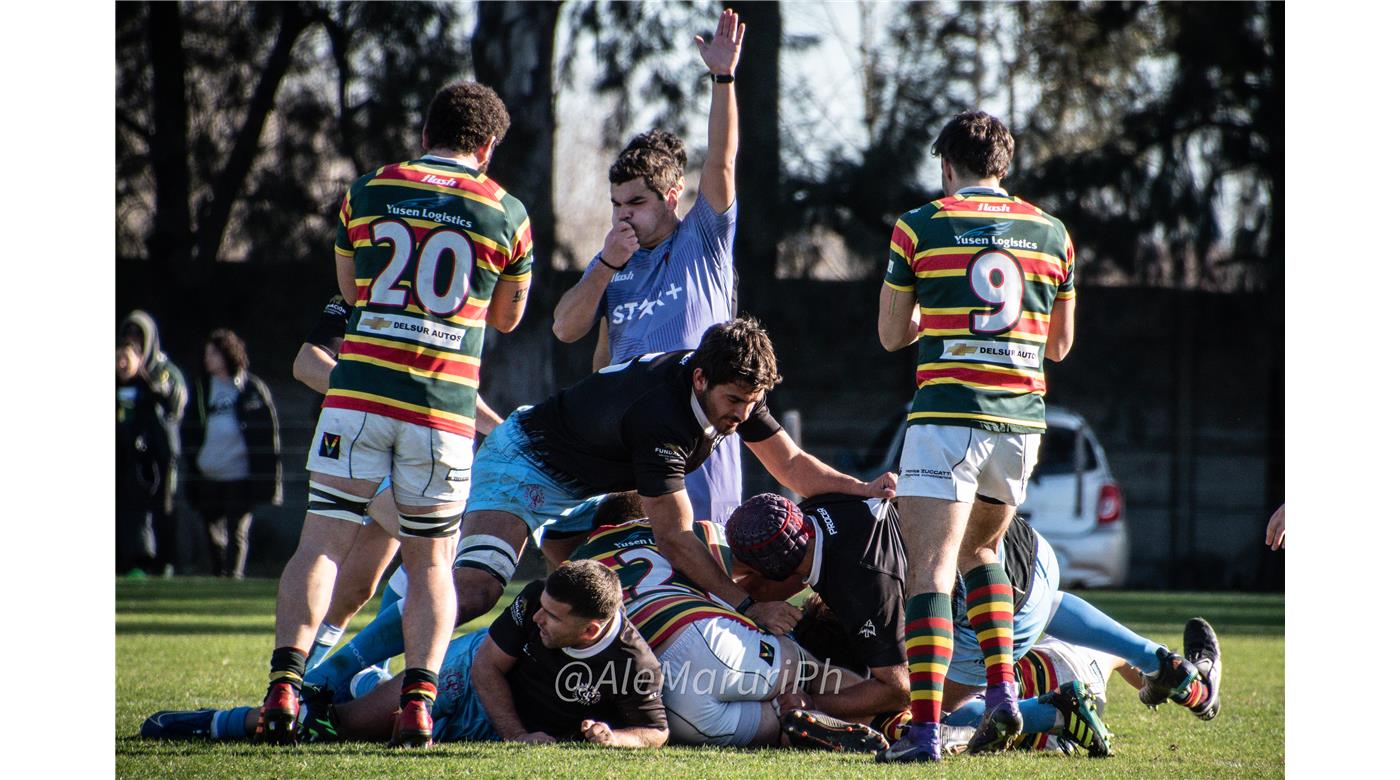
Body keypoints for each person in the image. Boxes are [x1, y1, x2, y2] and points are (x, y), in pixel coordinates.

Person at [257, 81, 533, 747]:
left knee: (319, 545)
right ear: (487, 148)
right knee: (432, 565)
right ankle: (416, 706)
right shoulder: (508, 212)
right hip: (439, 412)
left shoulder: (368, 190)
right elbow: (507, 317)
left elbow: (351, 291)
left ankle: (284, 688)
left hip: (358, 397)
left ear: (425, 134)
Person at [453, 316, 896, 651]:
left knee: (584, 609)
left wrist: (862, 488)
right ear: (700, 379)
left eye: (753, 402)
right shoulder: (661, 418)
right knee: (477, 592)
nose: (742, 414)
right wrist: (748, 607)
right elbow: (675, 536)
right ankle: (419, 674)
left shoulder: (732, 383)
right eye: (734, 401)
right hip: (525, 464)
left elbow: (792, 464)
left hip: (588, 489)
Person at [873, 109, 1083, 760]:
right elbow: (1060, 346)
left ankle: (924, 731)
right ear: (1004, 165)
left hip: (947, 415)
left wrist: (937, 320)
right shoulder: (1053, 234)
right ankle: (1002, 694)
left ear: (946, 166)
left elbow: (891, 334)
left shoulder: (920, 226)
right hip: (1020, 422)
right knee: (982, 552)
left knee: (931, 569)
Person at [728, 493, 1221, 757]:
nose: (743, 588)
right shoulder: (817, 508)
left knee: (924, 710)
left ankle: (1052, 713)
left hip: (1003, 602)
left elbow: (899, 686)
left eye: (750, 581)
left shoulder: (860, 586)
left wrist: (816, 706)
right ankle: (1170, 668)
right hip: (1029, 552)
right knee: (1050, 604)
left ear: (784, 572)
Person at [551, 9, 746, 526]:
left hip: (698, 441)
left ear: (672, 196)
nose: (623, 215)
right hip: (629, 451)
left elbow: (721, 161)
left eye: (636, 202)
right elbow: (568, 331)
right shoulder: (611, 262)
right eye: (616, 204)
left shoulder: (703, 237)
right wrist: (604, 266)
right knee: (628, 565)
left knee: (703, 555)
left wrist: (722, 78)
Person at [142, 562, 669, 748]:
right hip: (466, 676)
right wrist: (517, 736)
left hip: (487, 724)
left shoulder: (633, 663)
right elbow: (486, 666)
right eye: (542, 608)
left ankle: (367, 682)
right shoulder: (535, 598)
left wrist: (614, 737)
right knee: (330, 727)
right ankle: (213, 723)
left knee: (363, 725)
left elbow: (655, 731)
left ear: (591, 629)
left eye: (553, 618)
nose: (537, 618)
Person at [289, 294, 503, 671]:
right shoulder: (364, 290)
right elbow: (307, 363)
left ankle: (314, 678)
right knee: (434, 553)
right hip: (357, 442)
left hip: (411, 450)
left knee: (356, 589)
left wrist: (502, 431)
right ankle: (338, 677)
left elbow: (449, 389)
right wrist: (374, 390)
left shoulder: (445, 305)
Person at [571, 504, 887, 751]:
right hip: (705, 639)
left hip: (663, 700)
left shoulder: (578, 564)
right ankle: (887, 721)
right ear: (647, 513)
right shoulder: (686, 531)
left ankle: (787, 726)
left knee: (775, 723)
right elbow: (759, 570)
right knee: (815, 674)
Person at [188, 328, 281, 579]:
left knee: (237, 530)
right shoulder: (201, 389)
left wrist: (267, 478)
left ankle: (234, 577)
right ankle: (218, 576)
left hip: (239, 475)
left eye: (214, 354)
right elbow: (190, 430)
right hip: (208, 473)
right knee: (211, 530)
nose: (208, 359)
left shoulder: (250, 388)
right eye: (207, 354)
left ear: (227, 354)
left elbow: (266, 434)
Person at [121, 311, 188, 576]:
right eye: (129, 335)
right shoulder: (121, 371)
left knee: (165, 508)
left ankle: (165, 564)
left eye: (138, 335)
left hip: (161, 453)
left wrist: (151, 384)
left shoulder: (164, 371)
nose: (133, 341)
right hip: (128, 454)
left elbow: (175, 404)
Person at [117, 338, 173, 575]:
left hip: (139, 467)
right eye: (117, 359)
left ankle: (141, 562)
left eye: (125, 358)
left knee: (139, 516)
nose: (121, 364)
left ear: (139, 360)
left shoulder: (149, 393)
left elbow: (162, 436)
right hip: (118, 463)